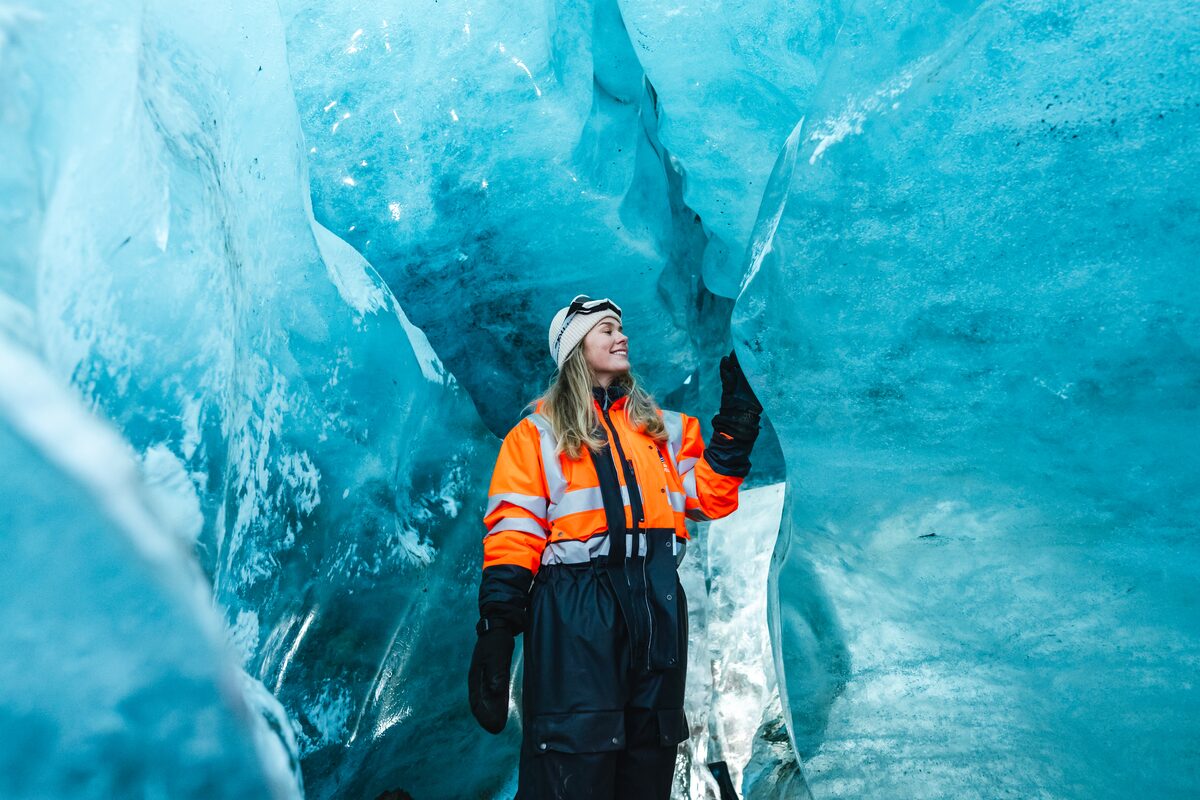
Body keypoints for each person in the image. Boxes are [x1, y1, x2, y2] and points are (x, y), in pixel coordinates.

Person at [467, 295, 762, 800]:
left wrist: (737, 421)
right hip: (575, 613)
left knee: (648, 757)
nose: (620, 336)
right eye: (605, 329)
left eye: (620, 328)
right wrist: (497, 630)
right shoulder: (535, 435)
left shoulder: (663, 429)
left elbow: (707, 495)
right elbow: (514, 531)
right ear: (575, 350)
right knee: (575, 762)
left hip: (655, 604)